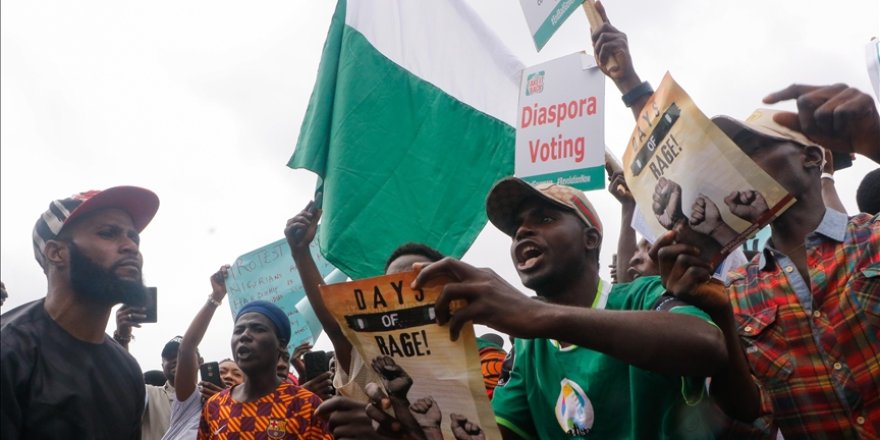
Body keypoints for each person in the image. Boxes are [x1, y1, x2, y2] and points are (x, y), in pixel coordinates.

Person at [412, 177, 727, 439]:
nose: (522, 231)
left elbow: (708, 346)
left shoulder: (642, 295)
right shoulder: (526, 349)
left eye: (545, 218)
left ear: (590, 239)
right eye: (516, 228)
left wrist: (536, 315)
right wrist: (410, 422)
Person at [665, 97, 879, 437]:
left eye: (753, 149)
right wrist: (717, 314)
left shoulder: (874, 237)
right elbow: (747, 409)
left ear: (812, 158)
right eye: (732, 158)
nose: (739, 166)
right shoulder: (735, 291)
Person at [1, 186, 159, 438]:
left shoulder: (128, 371)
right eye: (108, 233)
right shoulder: (10, 351)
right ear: (56, 253)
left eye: (134, 238)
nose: (131, 246)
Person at [198, 300, 330, 439]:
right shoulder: (214, 406)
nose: (244, 335)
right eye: (238, 330)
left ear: (281, 344)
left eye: (258, 329)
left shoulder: (307, 404)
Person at [162, 265, 230, 440]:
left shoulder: (251, 413)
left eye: (235, 373)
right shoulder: (191, 403)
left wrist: (226, 402)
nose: (228, 376)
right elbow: (187, 347)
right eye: (222, 372)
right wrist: (215, 298)